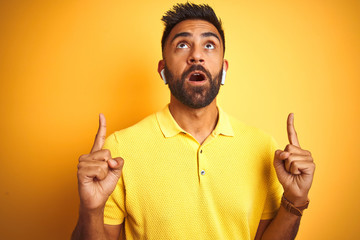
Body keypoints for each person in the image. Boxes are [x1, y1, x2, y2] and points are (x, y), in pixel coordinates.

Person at [71, 3, 315, 240]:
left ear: (224, 69)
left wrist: (294, 201)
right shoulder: (119, 150)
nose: (196, 55)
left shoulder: (262, 147)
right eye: (183, 44)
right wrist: (90, 209)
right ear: (163, 69)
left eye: (209, 45)